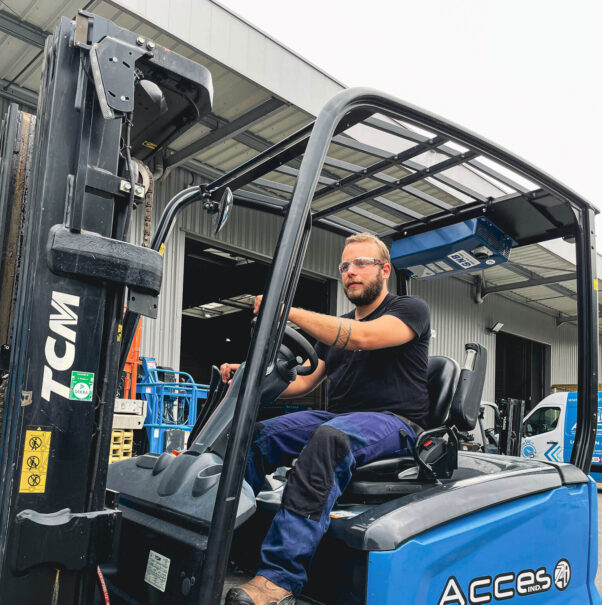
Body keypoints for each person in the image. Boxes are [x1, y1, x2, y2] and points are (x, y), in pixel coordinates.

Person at [224, 233, 430, 605]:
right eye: (345, 266)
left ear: (384, 270)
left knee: (330, 437)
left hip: (396, 422)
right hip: (343, 418)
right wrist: (245, 373)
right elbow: (303, 381)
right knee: (258, 435)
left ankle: (279, 579)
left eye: (361, 263)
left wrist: (286, 311)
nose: (350, 272)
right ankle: (232, 545)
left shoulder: (409, 309)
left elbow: (362, 338)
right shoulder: (337, 327)